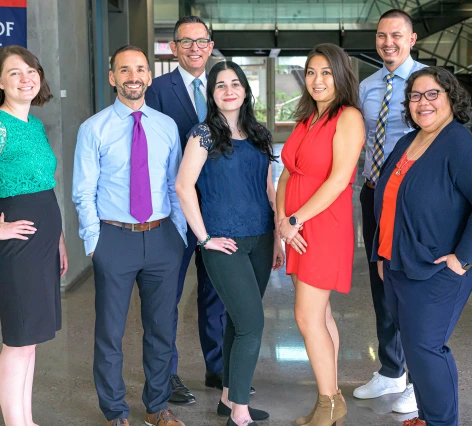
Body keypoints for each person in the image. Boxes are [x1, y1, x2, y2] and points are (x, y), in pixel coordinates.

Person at [371, 66, 472, 426]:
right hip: (400, 263)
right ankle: (428, 417)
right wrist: (381, 254)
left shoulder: (457, 142)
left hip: (437, 267)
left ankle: (442, 422)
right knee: (414, 346)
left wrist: (462, 259)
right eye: (416, 95)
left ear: (451, 98)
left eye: (433, 94)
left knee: (426, 348)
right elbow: (387, 200)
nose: (423, 102)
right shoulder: (407, 142)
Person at [72, 45, 187, 426]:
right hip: (114, 238)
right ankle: (115, 411)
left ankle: (157, 407)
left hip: (161, 237)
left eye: (140, 69)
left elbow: (175, 185)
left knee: (161, 329)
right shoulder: (93, 128)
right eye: (124, 70)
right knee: (110, 332)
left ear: (149, 76)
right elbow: (83, 191)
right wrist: (94, 243)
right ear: (113, 77)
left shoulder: (166, 126)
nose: (133, 76)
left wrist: (180, 234)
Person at [175, 60, 284, 426]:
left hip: (262, 238)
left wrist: (279, 237)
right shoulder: (203, 134)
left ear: (245, 90)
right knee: (252, 324)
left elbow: (268, 188)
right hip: (224, 242)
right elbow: (182, 186)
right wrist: (204, 238)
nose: (228, 90)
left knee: (238, 321)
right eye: (220, 85)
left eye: (235, 83)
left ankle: (226, 397)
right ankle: (239, 413)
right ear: (212, 94)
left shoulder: (260, 134)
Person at [276, 43, 364, 426]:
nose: (317, 79)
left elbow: (339, 180)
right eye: (311, 72)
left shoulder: (348, 118)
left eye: (326, 72)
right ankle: (334, 398)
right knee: (320, 313)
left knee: (306, 316)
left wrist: (295, 221)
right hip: (296, 224)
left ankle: (327, 403)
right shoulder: (305, 119)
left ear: (341, 75)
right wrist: (283, 218)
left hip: (323, 226)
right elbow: (286, 174)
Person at [145, 16, 231, 404]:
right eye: (186, 42)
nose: (195, 48)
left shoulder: (224, 85)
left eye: (202, 41)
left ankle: (217, 367)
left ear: (210, 45)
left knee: (216, 293)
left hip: (216, 207)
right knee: (168, 294)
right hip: (172, 209)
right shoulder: (157, 89)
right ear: (174, 48)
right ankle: (168, 375)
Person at [356, 8, 426, 413]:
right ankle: (390, 368)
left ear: (412, 39)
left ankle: (418, 379)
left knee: (410, 287)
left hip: (410, 199)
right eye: (382, 36)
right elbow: (362, 143)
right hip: (372, 195)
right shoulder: (368, 86)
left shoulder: (427, 84)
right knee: (379, 282)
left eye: (396, 35)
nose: (388, 43)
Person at [0, 45, 67, 426]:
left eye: (31, 70)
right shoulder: (0, 125)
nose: (25, 78)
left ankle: (25, 418)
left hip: (42, 235)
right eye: (14, 72)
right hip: (17, 240)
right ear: (0, 82)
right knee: (17, 338)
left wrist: (57, 237)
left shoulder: (35, 124)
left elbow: (43, 185)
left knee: (31, 338)